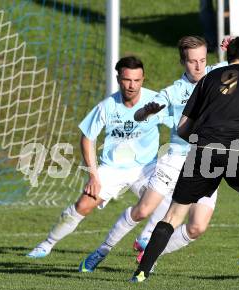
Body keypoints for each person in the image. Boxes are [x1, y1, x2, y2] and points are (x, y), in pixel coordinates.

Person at [131, 36, 239, 282]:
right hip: (238, 153)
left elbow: (182, 128)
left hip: (203, 152)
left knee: (173, 215)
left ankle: (140, 273)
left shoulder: (207, 80)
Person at [78, 36, 227, 272]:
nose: (198, 66)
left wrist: (233, 45)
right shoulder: (173, 92)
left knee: (197, 228)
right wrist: (145, 112)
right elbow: (139, 115)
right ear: (182, 62)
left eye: (202, 60)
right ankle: (102, 250)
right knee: (143, 211)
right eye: (192, 61)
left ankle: (150, 252)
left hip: (208, 162)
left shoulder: (218, 74)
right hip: (176, 159)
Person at [26, 56, 171, 258]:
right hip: (112, 168)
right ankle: (46, 244)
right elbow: (87, 138)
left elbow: (179, 125)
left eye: (137, 80)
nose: (132, 85)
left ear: (143, 79)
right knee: (83, 206)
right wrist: (93, 176)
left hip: (146, 167)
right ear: (119, 78)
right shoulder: (107, 106)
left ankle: (144, 240)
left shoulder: (156, 102)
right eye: (127, 80)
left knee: (169, 202)